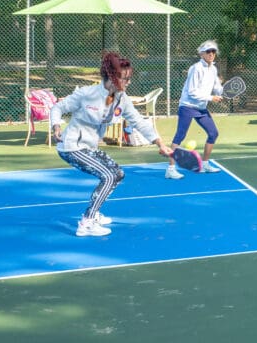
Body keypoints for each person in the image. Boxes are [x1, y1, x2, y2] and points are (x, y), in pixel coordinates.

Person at [51, 51, 174, 237]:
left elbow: (139, 121)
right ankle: (86, 222)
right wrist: (56, 127)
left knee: (118, 174)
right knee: (108, 176)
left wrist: (160, 144)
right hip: (72, 147)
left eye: (129, 78)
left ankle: (95, 212)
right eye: (125, 78)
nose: (129, 82)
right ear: (112, 77)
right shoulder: (87, 94)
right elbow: (58, 107)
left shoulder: (121, 100)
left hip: (89, 148)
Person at [167, 40, 224, 179]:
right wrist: (211, 98)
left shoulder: (213, 69)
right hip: (187, 106)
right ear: (201, 54)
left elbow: (217, 88)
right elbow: (192, 92)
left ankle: (205, 164)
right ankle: (170, 169)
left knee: (213, 133)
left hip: (201, 108)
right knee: (180, 135)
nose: (211, 54)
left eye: (213, 51)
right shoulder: (196, 68)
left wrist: (222, 90)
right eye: (208, 52)